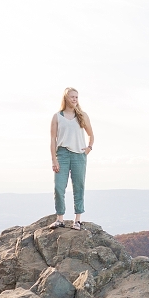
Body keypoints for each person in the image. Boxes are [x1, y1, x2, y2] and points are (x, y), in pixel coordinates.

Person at [49, 87, 94, 230]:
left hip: (79, 155)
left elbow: (91, 135)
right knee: (58, 187)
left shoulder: (83, 116)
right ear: (66, 98)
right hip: (62, 154)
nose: (74, 99)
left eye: (76, 97)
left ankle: (77, 220)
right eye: (72, 97)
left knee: (78, 186)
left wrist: (89, 148)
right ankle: (60, 218)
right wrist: (54, 159)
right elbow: (52, 139)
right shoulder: (57, 116)